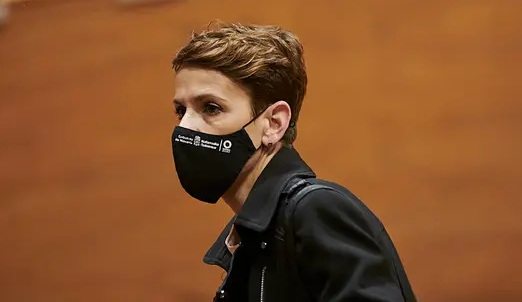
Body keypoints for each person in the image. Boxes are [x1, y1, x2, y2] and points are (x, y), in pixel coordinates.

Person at [170, 22, 417, 302]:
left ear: (274, 124)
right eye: (181, 111)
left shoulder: (315, 211)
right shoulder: (248, 240)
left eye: (211, 108)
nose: (186, 127)